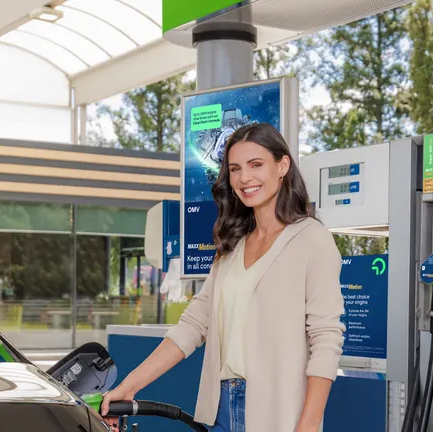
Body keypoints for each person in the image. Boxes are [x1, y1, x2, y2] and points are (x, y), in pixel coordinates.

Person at [101, 123, 345, 432]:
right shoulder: (233, 244)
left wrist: (308, 424)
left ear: (283, 165)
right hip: (221, 410)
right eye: (235, 169)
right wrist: (130, 386)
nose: (245, 178)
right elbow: (193, 326)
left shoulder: (312, 239)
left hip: (280, 414)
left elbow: (326, 338)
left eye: (256, 165)